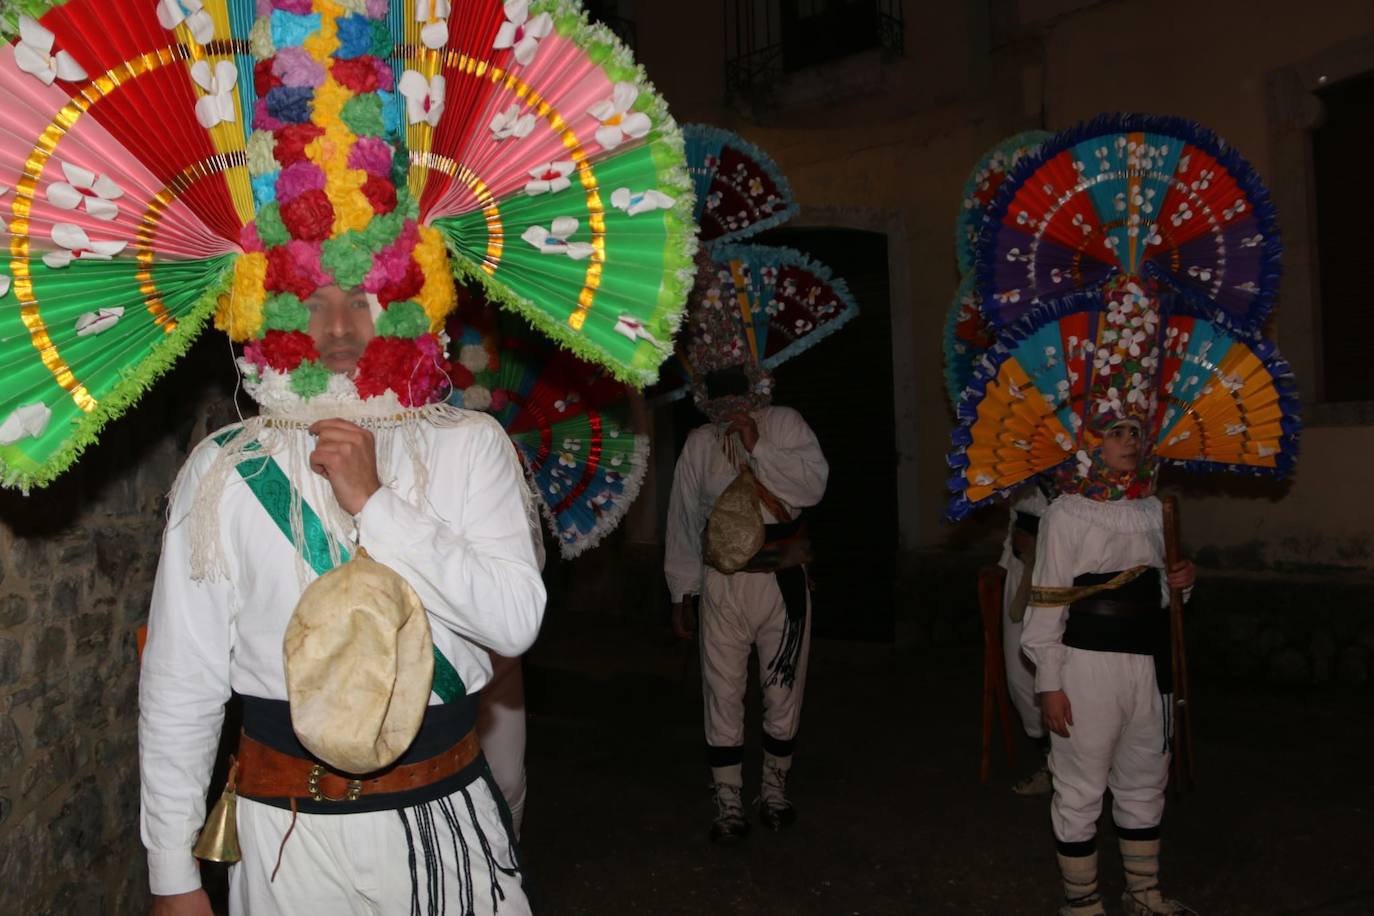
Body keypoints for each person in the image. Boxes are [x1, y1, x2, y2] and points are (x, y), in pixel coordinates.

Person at [140, 281, 544, 915]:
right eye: (308, 301)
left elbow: (514, 624)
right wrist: (171, 871)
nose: (336, 328)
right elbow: (181, 681)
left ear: (410, 303)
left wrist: (375, 503)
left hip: (443, 815)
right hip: (285, 834)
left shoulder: (470, 444)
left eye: (360, 299)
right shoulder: (222, 467)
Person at [1022, 418, 1196, 916]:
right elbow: (1048, 603)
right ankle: (1082, 903)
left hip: (1149, 665)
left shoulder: (1153, 510)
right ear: (1087, 444)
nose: (1130, 443)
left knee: (1144, 780)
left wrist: (1182, 580)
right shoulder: (1067, 515)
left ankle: (1144, 894)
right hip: (1086, 668)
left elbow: (1162, 594)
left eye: (1136, 433)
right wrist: (1050, 683)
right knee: (1080, 789)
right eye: (1116, 432)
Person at [665, 364, 829, 843]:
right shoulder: (700, 443)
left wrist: (759, 444)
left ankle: (775, 789)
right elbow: (683, 517)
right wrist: (683, 592)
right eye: (718, 396)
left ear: (756, 388)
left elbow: (814, 486)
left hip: (783, 582)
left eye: (737, 393)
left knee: (783, 690)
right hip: (723, 584)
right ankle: (729, 797)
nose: (729, 405)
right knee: (723, 691)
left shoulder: (786, 424)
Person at [998, 482, 1053, 795]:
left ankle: (1060, 765)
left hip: (1054, 575)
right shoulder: (1018, 465)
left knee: (1056, 676)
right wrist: (1004, 564)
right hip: (1020, 577)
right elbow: (1013, 521)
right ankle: (1046, 751)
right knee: (1018, 677)